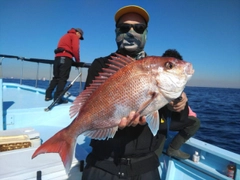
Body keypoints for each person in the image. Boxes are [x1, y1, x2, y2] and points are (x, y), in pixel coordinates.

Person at [82, 5, 189, 180]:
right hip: (103, 163)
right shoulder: (101, 65)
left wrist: (180, 105)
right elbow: (91, 107)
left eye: (138, 28)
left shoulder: (158, 67)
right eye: (125, 28)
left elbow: (179, 121)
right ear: (116, 32)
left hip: (145, 166)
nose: (131, 32)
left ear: (146, 33)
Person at [161, 49, 201, 159]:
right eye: (170, 66)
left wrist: (182, 102)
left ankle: (173, 149)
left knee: (195, 122)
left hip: (169, 122)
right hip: (157, 124)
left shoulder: (178, 88)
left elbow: (184, 116)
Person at [45, 28, 84, 104]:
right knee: (63, 78)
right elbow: (75, 50)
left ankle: (48, 95)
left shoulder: (64, 36)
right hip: (66, 58)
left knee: (56, 77)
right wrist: (77, 62)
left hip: (57, 58)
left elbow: (64, 48)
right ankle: (57, 98)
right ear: (78, 33)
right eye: (80, 36)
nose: (79, 38)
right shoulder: (74, 36)